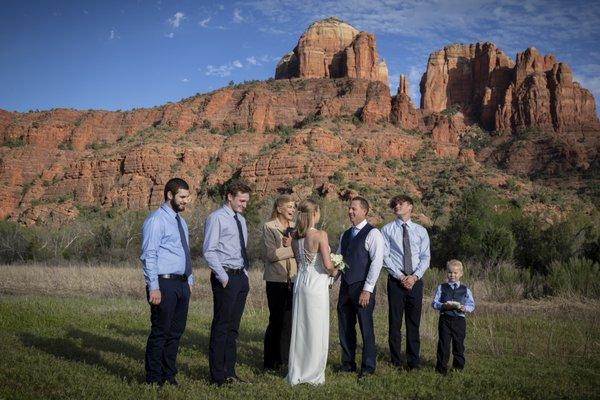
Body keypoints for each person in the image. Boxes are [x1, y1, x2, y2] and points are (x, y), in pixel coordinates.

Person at [141, 178, 193, 386]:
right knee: (160, 333)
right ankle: (154, 379)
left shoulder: (182, 222)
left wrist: (190, 279)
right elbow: (148, 255)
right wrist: (153, 286)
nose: (185, 201)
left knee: (175, 333)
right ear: (170, 195)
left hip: (181, 284)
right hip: (163, 284)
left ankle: (169, 375)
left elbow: (185, 253)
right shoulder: (156, 220)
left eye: (187, 197)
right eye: (182, 197)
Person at [203, 180, 252, 386]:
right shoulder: (216, 218)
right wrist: (223, 277)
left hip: (240, 277)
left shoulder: (240, 220)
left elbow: (242, 248)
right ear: (229, 197)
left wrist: (245, 274)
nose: (244, 204)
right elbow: (208, 250)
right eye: (241, 200)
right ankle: (217, 377)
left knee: (233, 329)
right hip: (226, 278)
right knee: (221, 327)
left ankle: (230, 372)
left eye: (247, 201)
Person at [285, 199, 337, 385]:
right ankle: (313, 372)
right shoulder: (320, 235)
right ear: (314, 213)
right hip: (316, 285)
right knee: (316, 328)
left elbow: (300, 264)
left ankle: (298, 369)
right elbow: (327, 265)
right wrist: (338, 268)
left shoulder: (295, 237)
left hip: (301, 283)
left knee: (301, 327)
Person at [336, 196, 384, 378]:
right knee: (345, 326)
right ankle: (347, 364)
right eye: (349, 208)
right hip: (345, 288)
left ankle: (368, 367)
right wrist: (331, 281)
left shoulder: (373, 234)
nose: (350, 211)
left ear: (364, 211)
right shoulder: (345, 235)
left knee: (366, 328)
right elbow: (339, 260)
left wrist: (367, 289)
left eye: (354, 209)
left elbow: (376, 263)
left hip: (363, 289)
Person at [381, 194, 430, 371]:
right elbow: (384, 256)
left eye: (401, 204)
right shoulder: (386, 230)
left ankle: (413, 362)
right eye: (394, 204)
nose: (396, 206)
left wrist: (414, 276)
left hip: (415, 282)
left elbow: (425, 257)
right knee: (395, 322)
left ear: (410, 207)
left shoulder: (421, 231)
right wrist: (400, 276)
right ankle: (395, 361)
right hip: (396, 281)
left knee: (413, 323)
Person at [262, 195, 298, 371]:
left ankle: (284, 360)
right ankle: (270, 362)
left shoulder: (296, 229)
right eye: (289, 207)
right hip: (276, 280)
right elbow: (271, 255)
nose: (292, 210)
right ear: (279, 208)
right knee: (276, 320)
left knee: (289, 321)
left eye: (294, 207)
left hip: (294, 280)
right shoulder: (269, 227)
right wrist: (293, 249)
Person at [431, 260, 475, 374]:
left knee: (458, 345)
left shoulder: (466, 290)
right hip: (445, 319)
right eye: (450, 272)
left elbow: (471, 305)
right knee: (443, 345)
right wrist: (442, 305)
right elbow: (434, 303)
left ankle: (457, 369)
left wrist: (465, 308)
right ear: (447, 273)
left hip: (459, 320)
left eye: (455, 273)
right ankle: (441, 369)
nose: (452, 275)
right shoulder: (442, 287)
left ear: (461, 273)